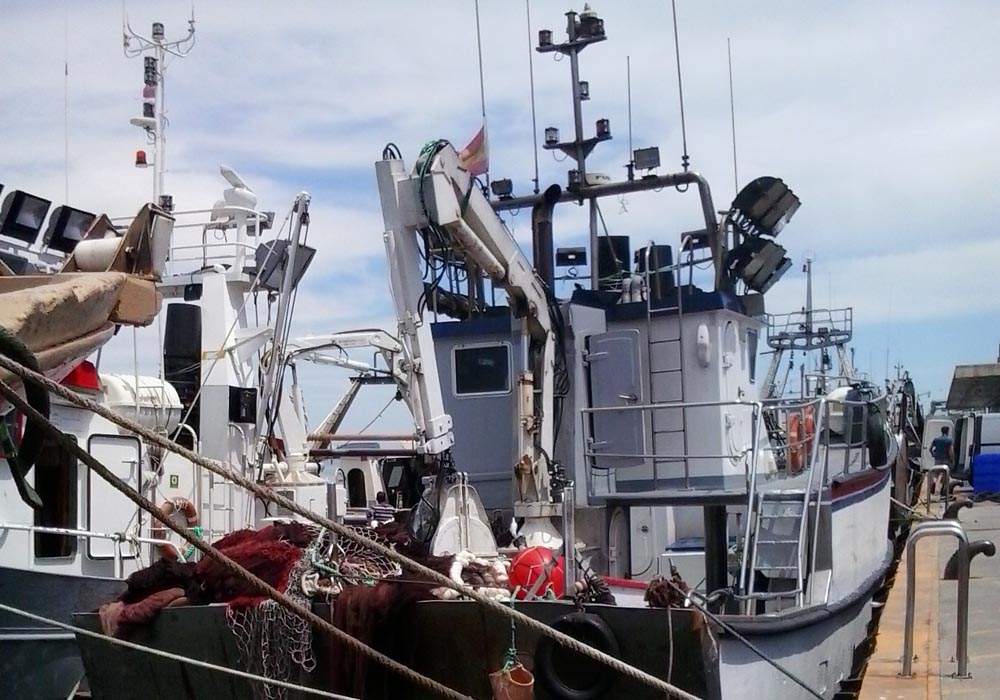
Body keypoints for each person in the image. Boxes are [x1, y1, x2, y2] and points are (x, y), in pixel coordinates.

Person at [929, 426, 954, 495]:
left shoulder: (936, 439)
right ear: (948, 431)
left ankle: (934, 482)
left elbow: (930, 449)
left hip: (938, 460)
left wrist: (933, 454)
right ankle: (943, 488)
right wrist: (952, 460)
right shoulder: (949, 440)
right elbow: (951, 451)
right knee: (946, 475)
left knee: (935, 474)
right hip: (946, 460)